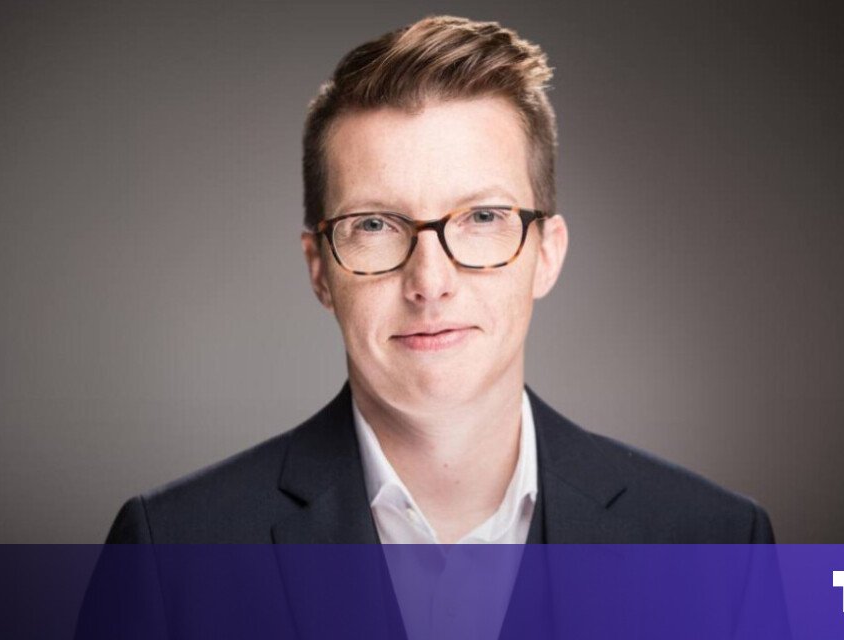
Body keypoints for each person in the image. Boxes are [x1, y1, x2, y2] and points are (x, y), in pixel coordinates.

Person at [102, 15, 774, 547]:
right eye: (373, 224)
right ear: (319, 270)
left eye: (482, 217)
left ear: (547, 253)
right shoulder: (171, 549)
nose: (430, 281)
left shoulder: (717, 542)